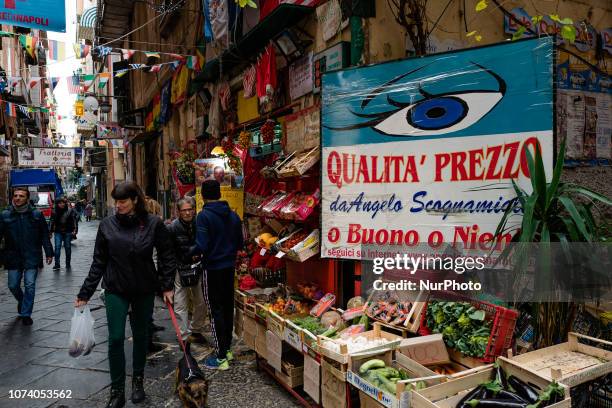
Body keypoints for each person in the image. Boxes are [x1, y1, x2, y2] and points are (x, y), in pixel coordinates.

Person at [75, 182, 176, 408]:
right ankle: (117, 389)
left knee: (141, 336)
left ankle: (138, 382)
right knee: (116, 338)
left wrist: (167, 285)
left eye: (122, 201)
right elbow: (98, 261)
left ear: (135, 200)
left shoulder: (153, 224)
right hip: (116, 288)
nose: (117, 206)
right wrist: (85, 292)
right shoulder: (107, 225)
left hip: (143, 288)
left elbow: (167, 255)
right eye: (116, 201)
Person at [195, 180, 243, 370]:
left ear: (203, 195)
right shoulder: (233, 216)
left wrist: (187, 251)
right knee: (226, 307)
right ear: (219, 193)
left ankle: (221, 356)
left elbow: (201, 245)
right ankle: (228, 348)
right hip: (229, 267)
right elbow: (240, 243)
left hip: (212, 267)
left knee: (215, 311)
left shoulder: (204, 216)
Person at [0, 187, 54, 325]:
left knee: (30, 285)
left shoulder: (36, 214)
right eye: (16, 195)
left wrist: (49, 253)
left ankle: (26, 314)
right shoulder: (5, 215)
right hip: (13, 256)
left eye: (21, 196)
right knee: (12, 285)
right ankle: (23, 301)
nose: (17, 198)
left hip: (31, 255)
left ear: (27, 199)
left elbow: (44, 235)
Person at [168, 197, 208, 344]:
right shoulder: (172, 228)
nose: (187, 213)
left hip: (198, 267)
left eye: (190, 209)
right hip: (180, 268)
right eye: (184, 210)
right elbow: (168, 252)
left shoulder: (200, 224)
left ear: (194, 210)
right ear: (179, 212)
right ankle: (183, 336)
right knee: (180, 304)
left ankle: (196, 330)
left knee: (202, 302)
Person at [50, 197, 78, 270]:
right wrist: (50, 231)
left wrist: (75, 229)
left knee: (68, 247)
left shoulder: (69, 210)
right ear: (57, 204)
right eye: (60, 203)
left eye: (63, 203)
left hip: (68, 231)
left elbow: (74, 220)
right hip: (58, 231)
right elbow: (52, 222)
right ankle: (57, 264)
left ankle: (68, 263)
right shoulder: (54, 211)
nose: (62, 204)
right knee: (57, 247)